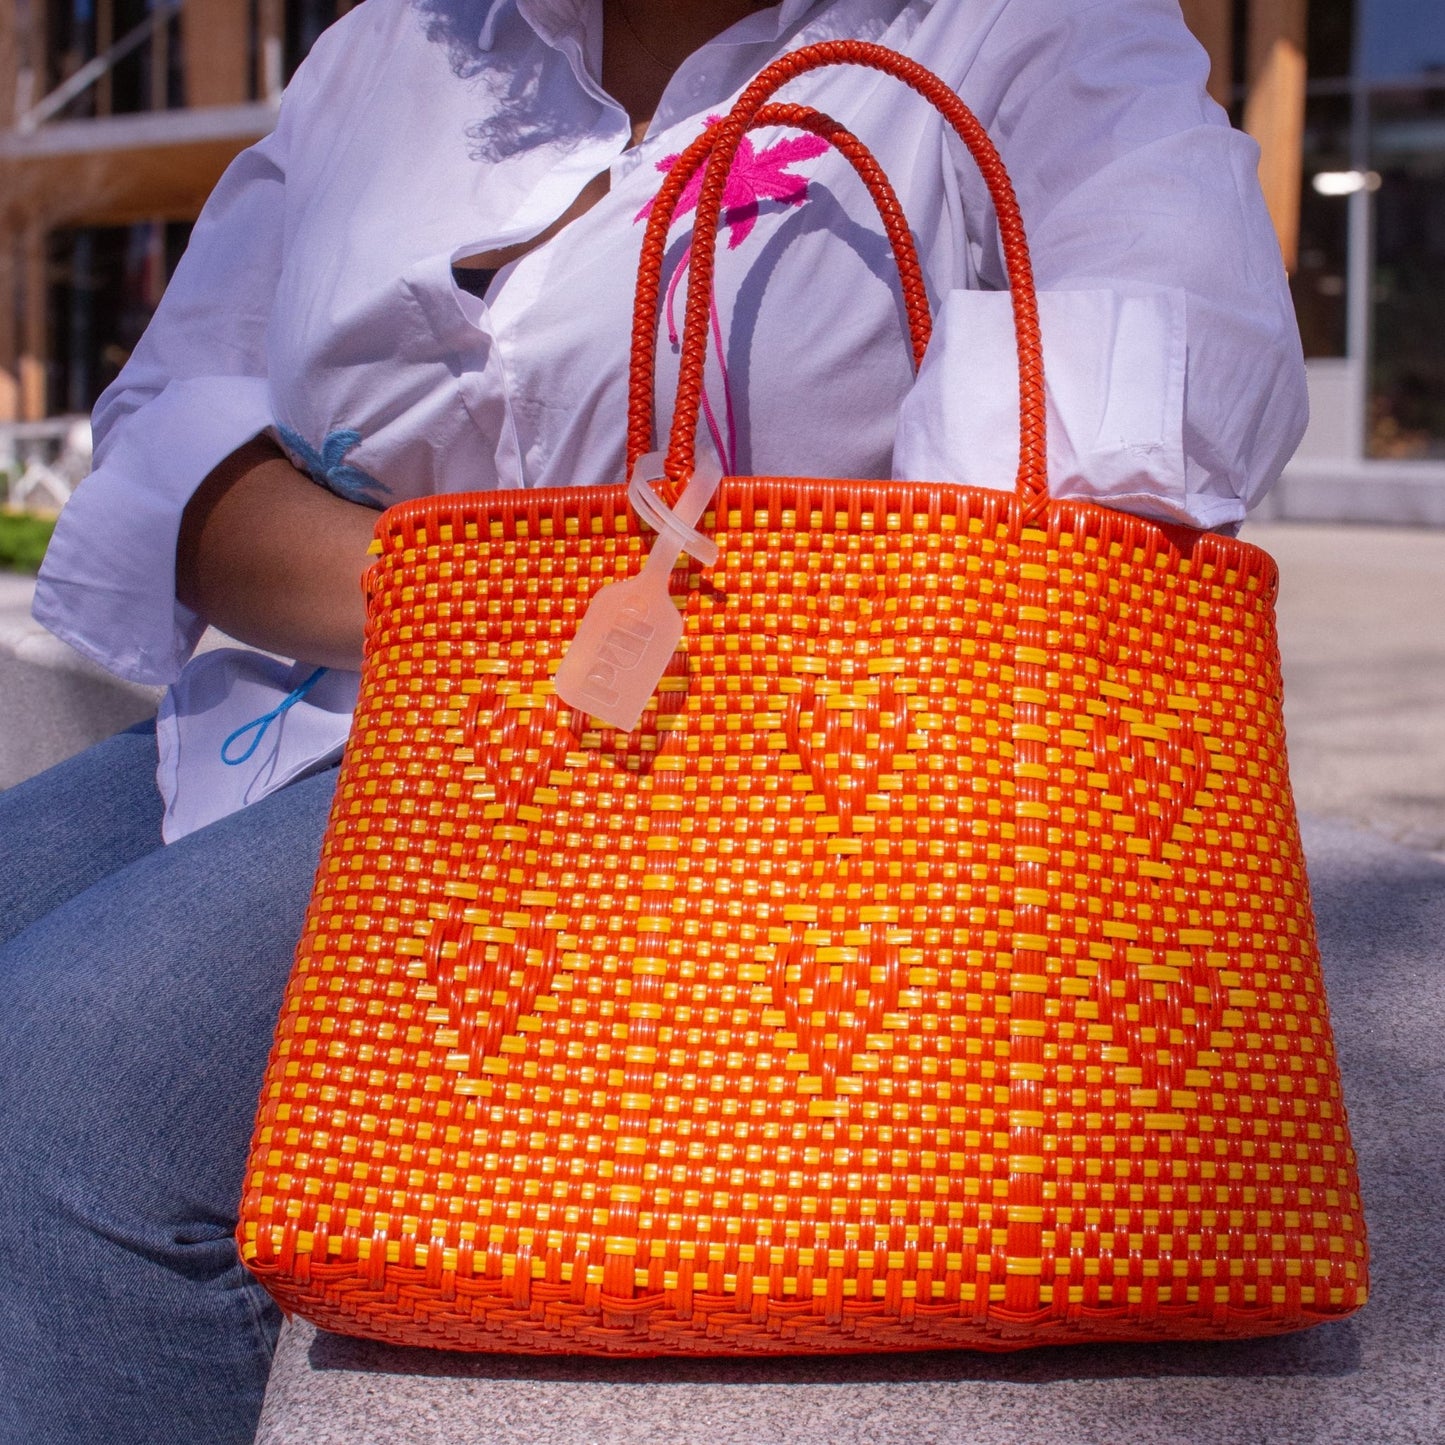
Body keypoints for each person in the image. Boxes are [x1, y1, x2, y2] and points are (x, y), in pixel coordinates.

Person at [0, 1, 1306, 1440]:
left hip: (738, 780)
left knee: (62, 1095)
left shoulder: (1023, 31)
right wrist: (493, 609)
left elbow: (1126, 455)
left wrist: (638, 619)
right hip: (313, 697)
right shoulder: (394, 44)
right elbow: (180, 433)